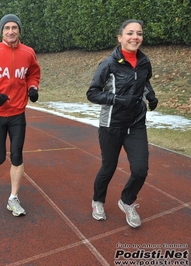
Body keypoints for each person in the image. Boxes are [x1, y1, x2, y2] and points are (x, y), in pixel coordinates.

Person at [86, 19, 159, 228]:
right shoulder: (108, 64)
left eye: (139, 33)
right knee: (108, 167)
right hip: (112, 124)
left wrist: (151, 96)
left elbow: (144, 80)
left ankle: (127, 201)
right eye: (130, 33)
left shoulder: (144, 62)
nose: (135, 37)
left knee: (140, 169)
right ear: (120, 38)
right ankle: (98, 201)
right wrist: (118, 100)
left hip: (136, 123)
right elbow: (92, 93)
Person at [0, 14, 41, 216]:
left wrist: (33, 87)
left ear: (19, 30)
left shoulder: (28, 53)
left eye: (14, 28)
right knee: (2, 157)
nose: (11, 31)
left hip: (18, 113)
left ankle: (13, 198)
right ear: (2, 31)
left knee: (17, 155)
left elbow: (33, 74)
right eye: (7, 28)